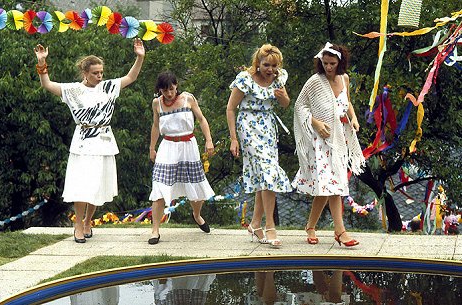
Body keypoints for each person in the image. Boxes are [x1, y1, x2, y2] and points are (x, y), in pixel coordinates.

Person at [33, 39, 145, 243]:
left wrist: (140, 57)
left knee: (97, 186)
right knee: (82, 184)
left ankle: (87, 222)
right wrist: (42, 63)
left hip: (104, 141)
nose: (100, 76)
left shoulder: (109, 87)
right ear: (85, 73)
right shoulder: (73, 90)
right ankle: (77, 225)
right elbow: (47, 84)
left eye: (101, 72)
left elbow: (131, 77)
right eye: (95, 73)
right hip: (83, 141)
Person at [292, 42, 365, 247]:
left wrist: (354, 118)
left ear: (340, 62)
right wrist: (315, 123)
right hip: (320, 140)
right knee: (333, 186)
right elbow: (299, 106)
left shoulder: (344, 79)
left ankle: (310, 226)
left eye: (332, 63)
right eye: (325, 63)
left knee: (329, 187)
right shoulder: (315, 81)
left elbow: (347, 103)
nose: (328, 67)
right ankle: (340, 232)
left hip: (339, 139)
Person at [227, 44, 292, 248]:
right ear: (258, 63)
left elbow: (285, 104)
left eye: (273, 65)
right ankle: (270, 225)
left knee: (263, 176)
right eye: (266, 65)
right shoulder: (245, 79)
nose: (270, 69)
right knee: (268, 172)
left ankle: (255, 224)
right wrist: (234, 138)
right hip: (248, 126)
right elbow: (230, 108)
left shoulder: (279, 78)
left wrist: (283, 98)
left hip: (268, 128)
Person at [148, 71, 215, 245]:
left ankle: (197, 215)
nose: (169, 93)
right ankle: (155, 230)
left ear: (176, 85)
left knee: (196, 185)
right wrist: (152, 147)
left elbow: (201, 119)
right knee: (159, 187)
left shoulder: (188, 99)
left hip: (188, 145)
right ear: (160, 90)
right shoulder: (157, 103)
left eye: (171, 89)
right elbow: (156, 126)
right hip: (167, 147)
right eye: (165, 90)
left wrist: (208, 140)